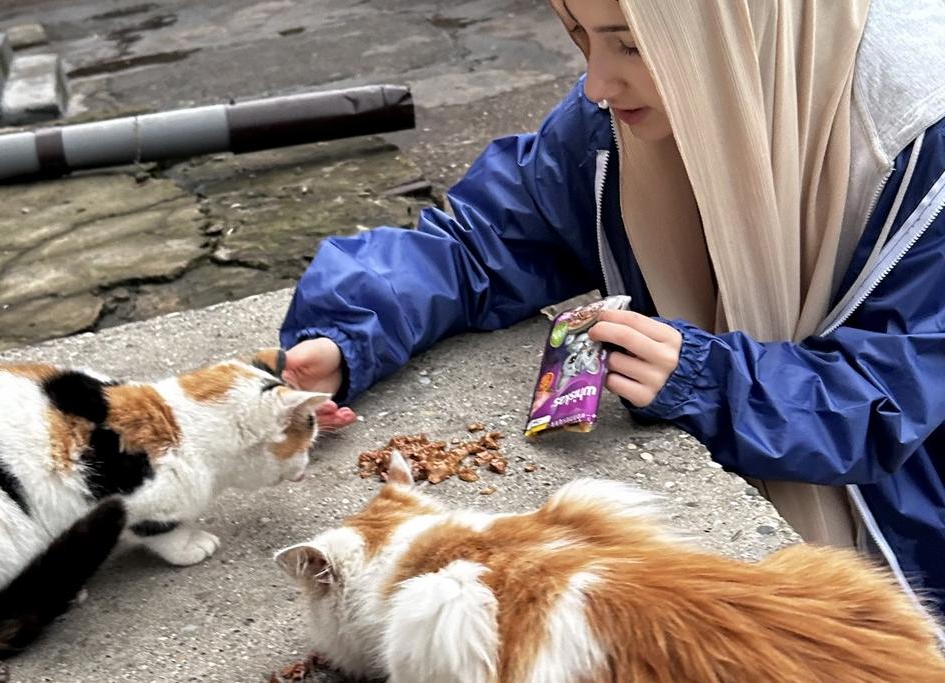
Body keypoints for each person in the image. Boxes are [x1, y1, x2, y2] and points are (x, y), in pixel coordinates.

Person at [279, 0, 945, 624]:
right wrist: (349, 332)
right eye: (580, 34)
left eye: (630, 44)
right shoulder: (630, 108)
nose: (597, 84)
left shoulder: (922, 137)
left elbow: (895, 392)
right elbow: (483, 240)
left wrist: (710, 378)